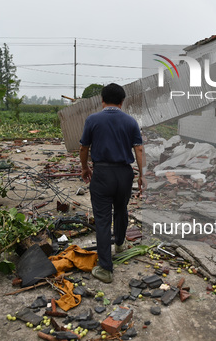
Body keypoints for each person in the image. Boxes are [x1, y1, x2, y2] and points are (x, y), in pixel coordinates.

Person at [79, 83, 145, 283]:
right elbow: (139, 150)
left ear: (102, 100)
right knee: (121, 210)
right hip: (124, 174)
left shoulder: (93, 120)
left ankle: (106, 269)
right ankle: (120, 244)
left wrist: (84, 167)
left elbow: (84, 148)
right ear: (122, 101)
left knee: (102, 219)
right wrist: (142, 175)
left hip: (102, 173)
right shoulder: (131, 121)